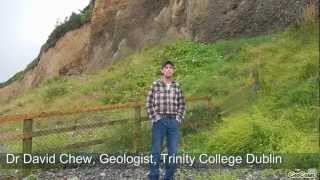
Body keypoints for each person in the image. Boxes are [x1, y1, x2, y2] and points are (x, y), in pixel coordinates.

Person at [146, 60, 186, 180]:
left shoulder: (177, 86)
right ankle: (153, 176)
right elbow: (148, 103)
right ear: (162, 70)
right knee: (155, 151)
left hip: (173, 122)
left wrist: (178, 119)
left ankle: (169, 177)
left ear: (173, 70)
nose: (168, 69)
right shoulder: (155, 85)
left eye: (171, 68)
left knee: (173, 152)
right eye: (166, 67)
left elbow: (182, 104)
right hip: (159, 122)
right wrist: (156, 119)